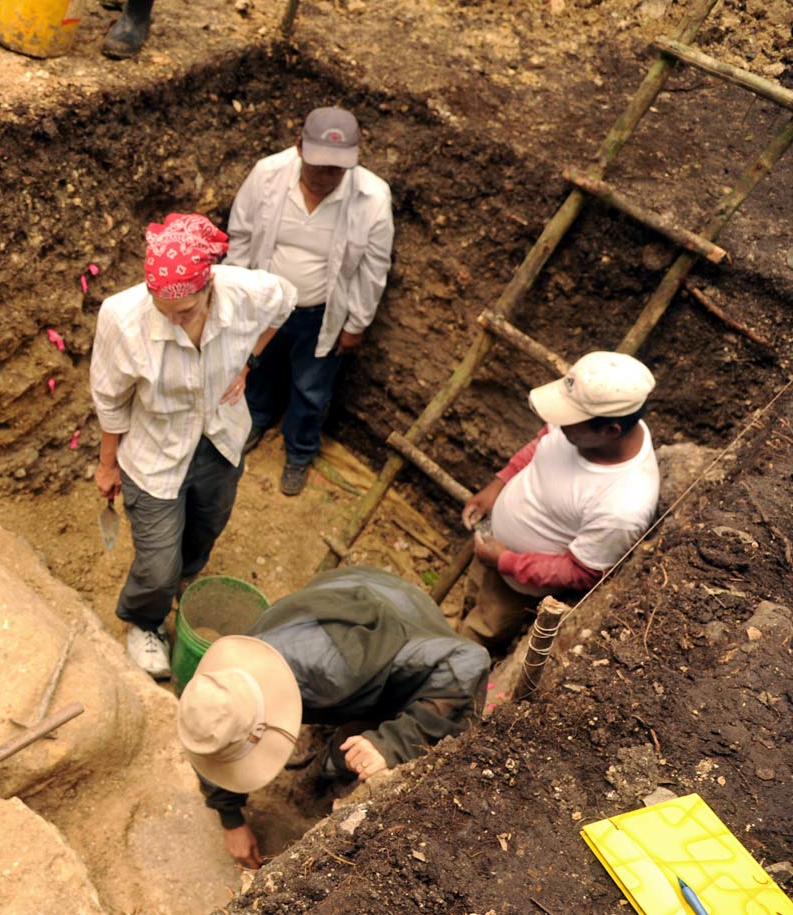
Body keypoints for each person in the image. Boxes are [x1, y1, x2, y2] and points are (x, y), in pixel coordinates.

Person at [92, 214, 297, 679]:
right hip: (155, 453)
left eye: (185, 312)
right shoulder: (121, 318)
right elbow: (109, 397)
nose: (172, 321)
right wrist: (107, 465)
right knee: (157, 563)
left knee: (207, 525)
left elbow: (287, 301)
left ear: (210, 288)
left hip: (220, 439)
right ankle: (145, 620)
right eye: (162, 309)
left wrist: (249, 359)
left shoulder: (246, 292)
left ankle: (187, 578)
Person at [178, 567, 489, 867]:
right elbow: (216, 732)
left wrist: (393, 742)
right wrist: (230, 819)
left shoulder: (337, 674)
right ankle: (328, 764)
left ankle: (335, 766)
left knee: (398, 742)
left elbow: (469, 660)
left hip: (407, 624)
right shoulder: (240, 667)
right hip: (347, 594)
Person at [224, 107, 395, 496]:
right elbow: (241, 234)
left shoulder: (372, 197)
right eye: (319, 166)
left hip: (320, 313)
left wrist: (356, 324)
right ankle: (256, 421)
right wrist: (239, 296)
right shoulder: (267, 174)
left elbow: (373, 267)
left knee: (312, 388)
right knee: (257, 367)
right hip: (266, 304)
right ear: (300, 147)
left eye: (337, 169)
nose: (326, 176)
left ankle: (300, 453)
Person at [458, 351, 660, 652]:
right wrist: (499, 483)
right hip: (492, 546)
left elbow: (581, 572)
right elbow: (543, 442)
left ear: (610, 431)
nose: (556, 422)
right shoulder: (582, 425)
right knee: (469, 603)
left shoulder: (623, 505)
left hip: (516, 588)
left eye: (568, 420)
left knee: (474, 640)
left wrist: (506, 561)